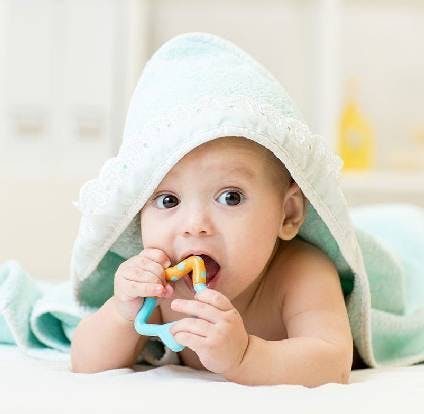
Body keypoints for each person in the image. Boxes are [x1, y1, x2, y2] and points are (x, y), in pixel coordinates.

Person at [69, 32, 355, 386]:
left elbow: (333, 362)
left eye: (230, 197)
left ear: (289, 214)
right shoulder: (160, 288)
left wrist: (246, 355)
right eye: (168, 200)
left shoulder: (301, 273)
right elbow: (84, 362)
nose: (195, 225)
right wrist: (121, 312)